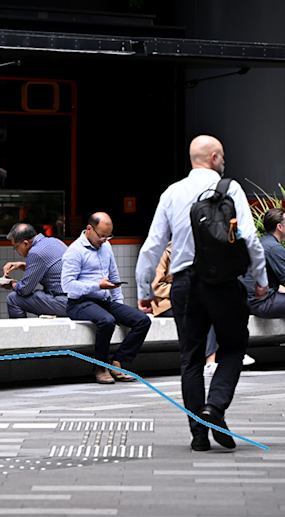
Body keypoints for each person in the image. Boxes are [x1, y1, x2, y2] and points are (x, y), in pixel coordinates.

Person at [136, 135, 268, 452]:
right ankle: (216, 408)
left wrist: (145, 289)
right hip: (223, 284)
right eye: (221, 156)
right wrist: (261, 279)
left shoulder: (171, 193)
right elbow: (250, 239)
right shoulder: (230, 188)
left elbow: (153, 245)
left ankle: (198, 434)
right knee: (233, 348)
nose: (224, 161)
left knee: (191, 359)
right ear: (213, 158)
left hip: (184, 286)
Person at [62, 212, 150, 384]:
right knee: (107, 321)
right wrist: (97, 285)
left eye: (108, 236)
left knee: (142, 320)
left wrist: (119, 306)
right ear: (89, 229)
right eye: (101, 236)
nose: (104, 240)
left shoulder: (107, 246)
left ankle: (117, 363)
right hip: (80, 302)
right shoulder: (74, 251)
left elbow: (114, 276)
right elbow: (67, 285)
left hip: (104, 301)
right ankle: (100, 366)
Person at [153, 245, 252, 376]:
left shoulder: (202, 248)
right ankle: (210, 361)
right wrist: (183, 290)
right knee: (207, 312)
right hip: (169, 302)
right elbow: (157, 286)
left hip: (196, 297)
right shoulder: (164, 252)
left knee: (223, 308)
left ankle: (231, 351)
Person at [2, 222, 69, 318]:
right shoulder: (54, 241)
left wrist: (11, 283)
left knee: (13, 299)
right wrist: (22, 265)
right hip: (74, 297)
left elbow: (24, 289)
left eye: (15, 247)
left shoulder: (35, 252)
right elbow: (47, 269)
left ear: (25, 243)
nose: (16, 251)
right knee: (39, 294)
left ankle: (22, 332)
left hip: (64, 301)